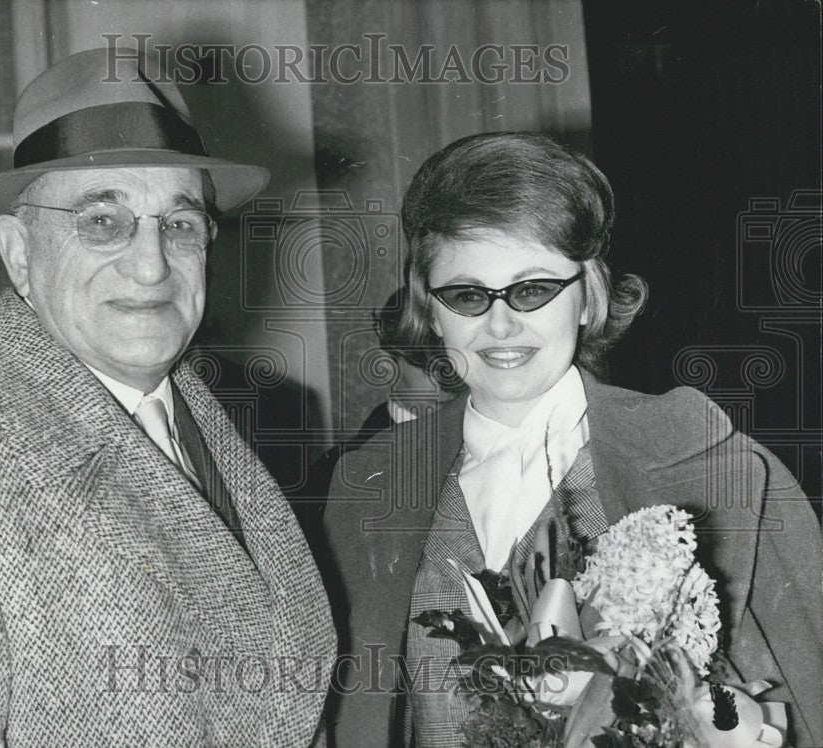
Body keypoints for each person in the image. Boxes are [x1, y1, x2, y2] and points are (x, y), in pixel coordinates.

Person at [0, 48, 335, 746]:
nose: (152, 265)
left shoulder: (209, 419)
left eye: (180, 225)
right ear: (20, 252)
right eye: (102, 221)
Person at [322, 133, 822, 747]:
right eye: (467, 295)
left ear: (588, 297)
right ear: (430, 309)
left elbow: (804, 704)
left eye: (532, 290)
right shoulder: (365, 488)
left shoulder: (719, 466)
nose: (501, 325)